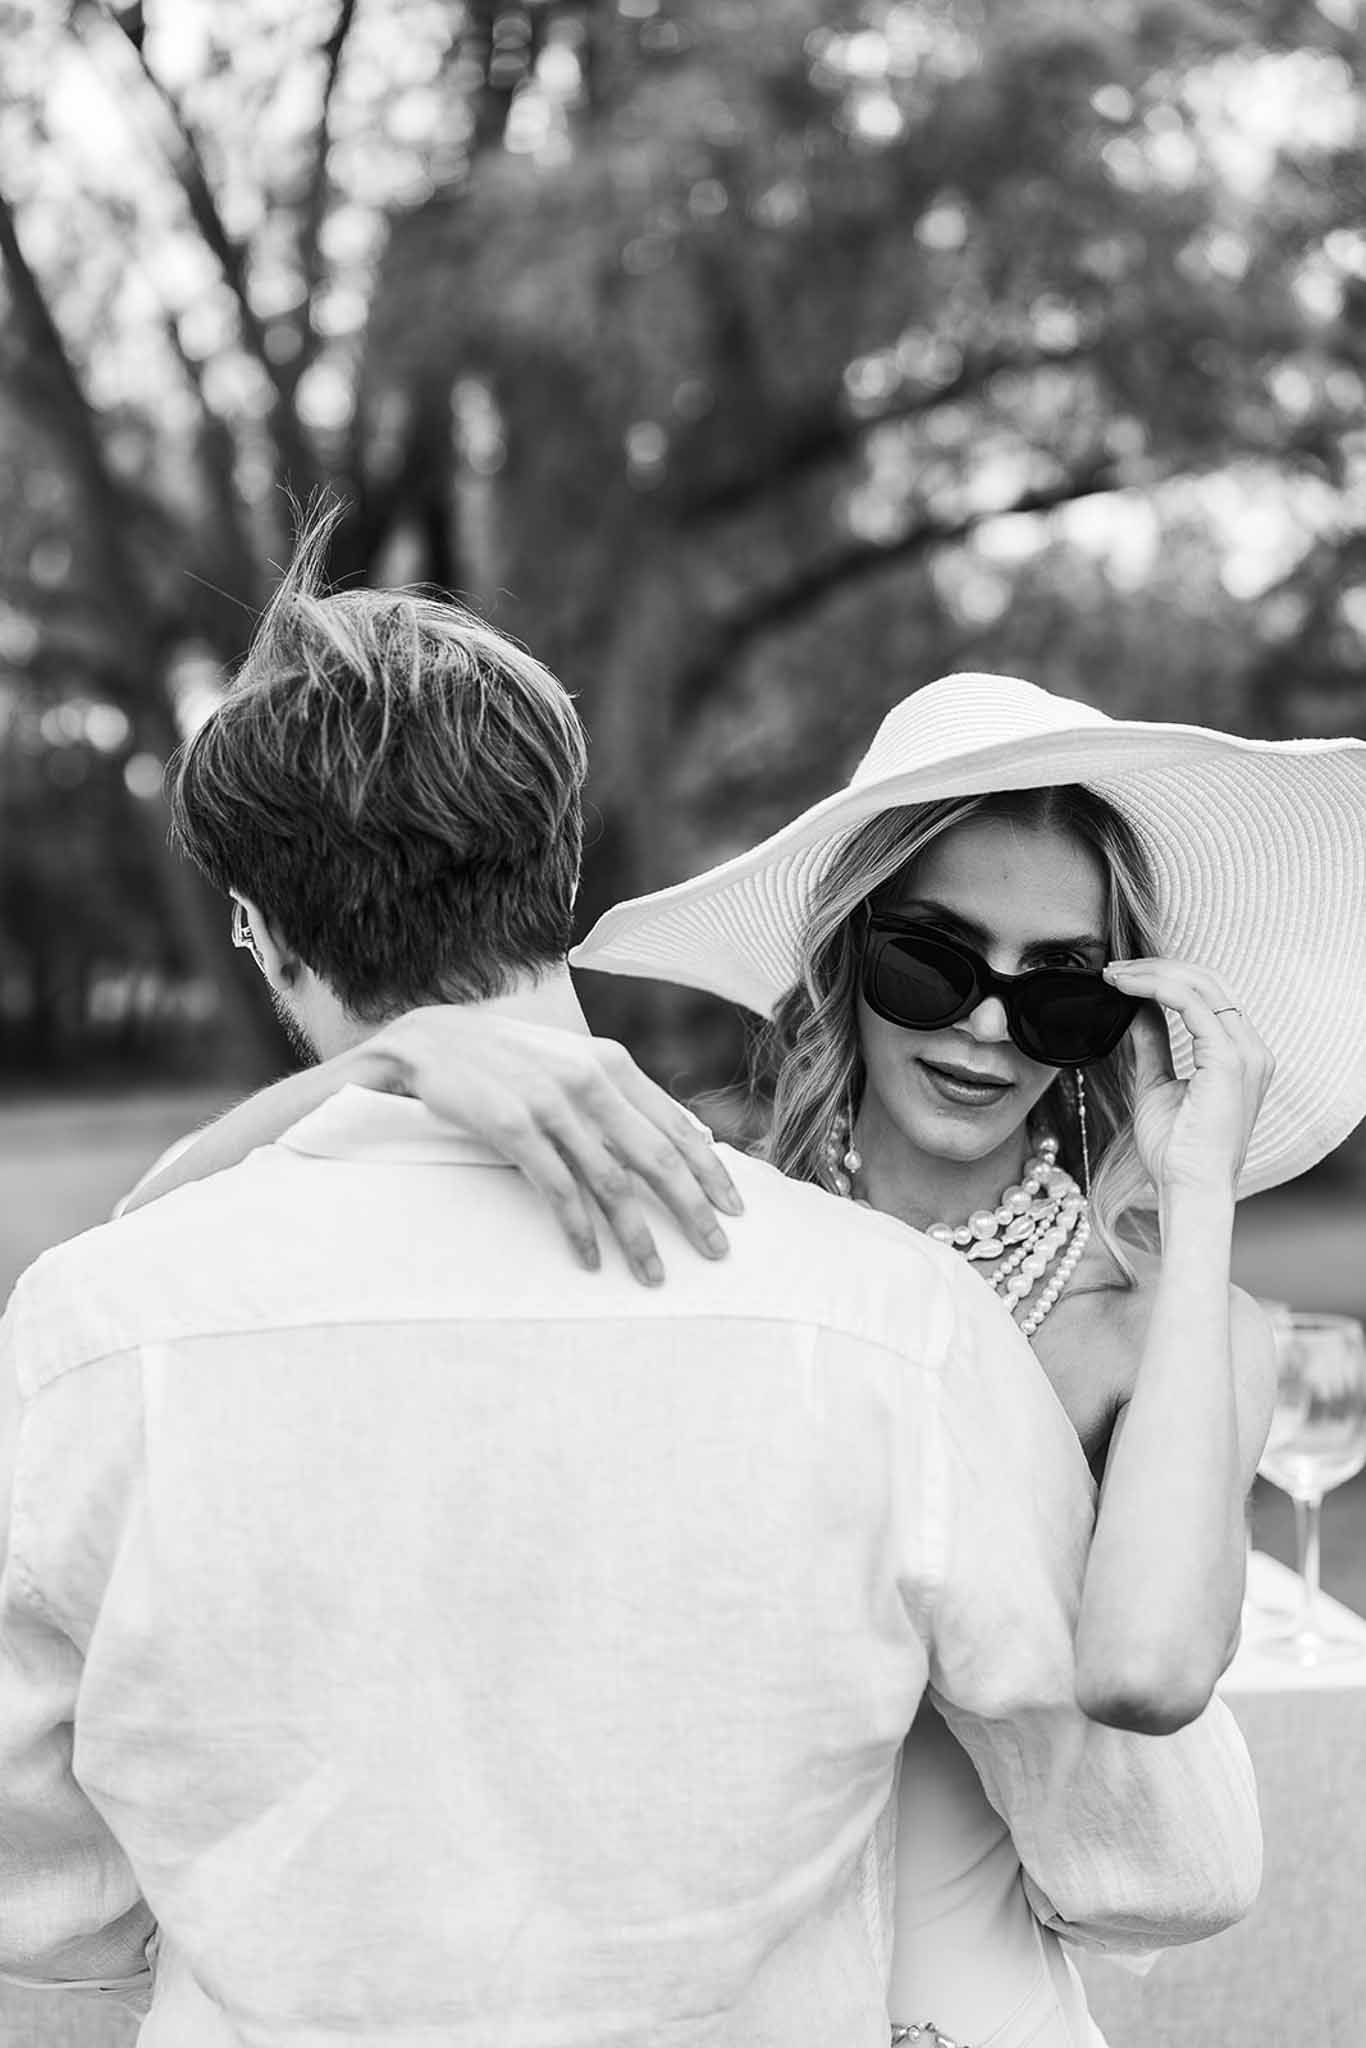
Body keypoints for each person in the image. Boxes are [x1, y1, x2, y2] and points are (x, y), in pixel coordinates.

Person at [0, 531, 1266, 2048]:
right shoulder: (880, 1319)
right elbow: (1161, 1862)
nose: (988, 1026)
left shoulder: (88, 1335)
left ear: (258, 930)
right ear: (565, 864)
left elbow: (42, 1898)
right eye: (931, 959)